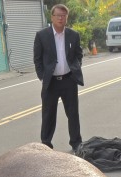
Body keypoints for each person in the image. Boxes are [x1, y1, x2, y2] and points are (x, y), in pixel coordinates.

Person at [33, 4, 84, 151]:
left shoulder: (73, 35)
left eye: (64, 15)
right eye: (58, 15)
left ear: (66, 18)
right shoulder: (42, 36)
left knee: (73, 113)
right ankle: (46, 145)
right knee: (48, 115)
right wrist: (43, 77)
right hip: (51, 82)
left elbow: (78, 55)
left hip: (69, 80)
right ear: (52, 17)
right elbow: (37, 59)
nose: (61, 18)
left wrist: (75, 68)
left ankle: (76, 143)